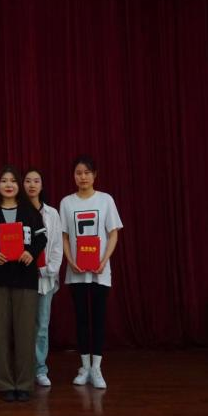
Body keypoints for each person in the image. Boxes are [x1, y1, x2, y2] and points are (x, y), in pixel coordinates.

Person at [0, 166, 46, 402]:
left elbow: (42, 238)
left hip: (25, 279)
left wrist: (31, 252)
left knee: (25, 333)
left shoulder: (30, 212)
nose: (8, 185)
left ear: (19, 185)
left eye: (13, 181)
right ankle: (4, 384)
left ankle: (24, 383)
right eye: (4, 180)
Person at [60, 155, 122, 389]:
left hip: (100, 271)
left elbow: (113, 233)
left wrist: (104, 260)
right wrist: (70, 261)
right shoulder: (67, 202)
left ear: (94, 175)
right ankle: (84, 366)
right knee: (81, 319)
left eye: (87, 172)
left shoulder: (105, 200)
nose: (83, 177)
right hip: (76, 271)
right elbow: (64, 236)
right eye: (78, 173)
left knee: (98, 318)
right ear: (73, 176)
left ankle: (97, 368)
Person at [23, 168, 63, 387]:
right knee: (21, 326)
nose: (32, 185)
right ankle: (22, 368)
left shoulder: (52, 214)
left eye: (36, 181)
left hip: (44, 278)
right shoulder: (17, 210)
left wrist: (47, 270)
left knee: (41, 326)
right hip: (21, 277)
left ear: (42, 185)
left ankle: (40, 368)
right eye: (28, 181)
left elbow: (56, 246)